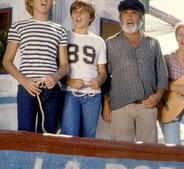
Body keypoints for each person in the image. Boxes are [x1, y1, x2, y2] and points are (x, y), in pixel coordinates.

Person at [102, 0, 168, 143]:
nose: (129, 17)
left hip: (148, 106)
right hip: (120, 105)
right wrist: (105, 105)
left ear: (141, 18)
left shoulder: (153, 43)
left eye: (134, 13)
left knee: (148, 154)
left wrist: (158, 95)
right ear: (120, 18)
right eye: (125, 13)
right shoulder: (110, 43)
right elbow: (105, 76)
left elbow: (162, 73)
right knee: (120, 153)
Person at [2, 0, 69, 133]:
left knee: (48, 135)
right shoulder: (18, 27)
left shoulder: (60, 30)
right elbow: (7, 61)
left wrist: (55, 77)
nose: (44, 0)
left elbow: (65, 65)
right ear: (31, 2)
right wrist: (25, 81)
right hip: (27, 89)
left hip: (52, 91)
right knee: (25, 134)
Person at [60, 0, 107, 138]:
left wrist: (99, 80)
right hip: (70, 93)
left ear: (91, 17)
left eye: (83, 11)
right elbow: (56, 67)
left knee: (89, 136)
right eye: (75, 11)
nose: (78, 15)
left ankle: (84, 161)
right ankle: (69, 160)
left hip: (93, 95)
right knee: (69, 135)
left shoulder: (99, 41)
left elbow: (103, 73)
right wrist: (69, 81)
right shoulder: (64, 36)